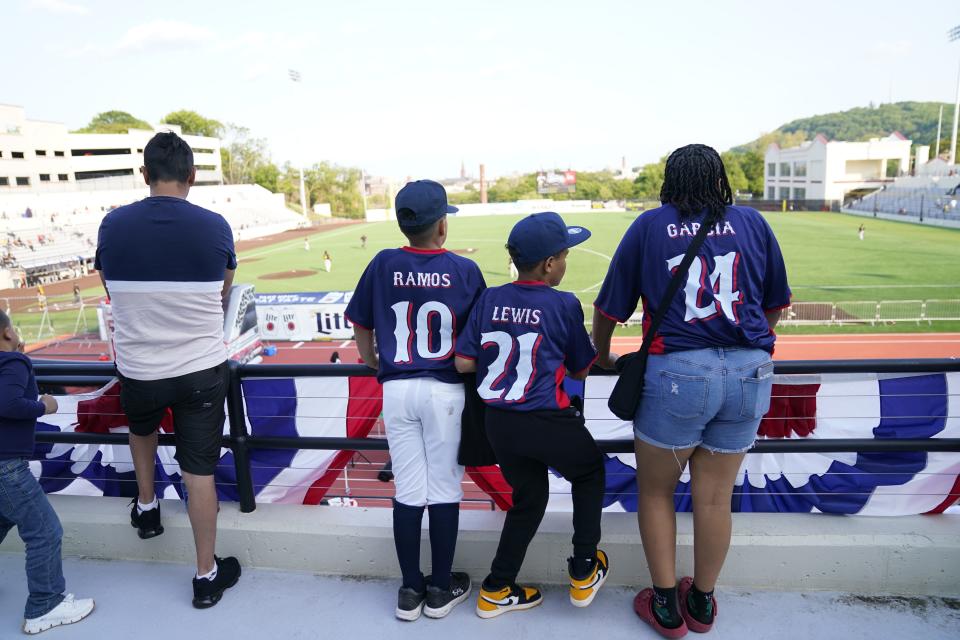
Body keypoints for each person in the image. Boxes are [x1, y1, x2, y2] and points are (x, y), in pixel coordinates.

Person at [592, 144, 790, 637]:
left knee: (656, 492)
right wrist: (748, 349)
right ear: (720, 178)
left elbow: (609, 309)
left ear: (670, 181)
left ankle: (664, 606)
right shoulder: (753, 222)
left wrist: (602, 356)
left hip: (678, 375)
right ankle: (701, 604)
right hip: (750, 371)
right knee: (715, 498)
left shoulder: (649, 226)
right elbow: (775, 304)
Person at [95, 131, 241, 609]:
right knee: (199, 472)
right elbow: (222, 292)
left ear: (145, 175)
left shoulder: (113, 225)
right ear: (191, 176)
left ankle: (148, 506)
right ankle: (205, 576)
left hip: (138, 366)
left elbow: (113, 290)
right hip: (200, 367)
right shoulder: (216, 225)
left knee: (142, 427)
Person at [455, 212, 609, 619]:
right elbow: (580, 366)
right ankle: (583, 567)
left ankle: (496, 588)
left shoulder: (489, 298)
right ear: (548, 264)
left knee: (529, 498)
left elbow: (464, 363)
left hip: (498, 423)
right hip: (543, 417)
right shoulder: (562, 303)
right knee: (590, 471)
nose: (566, 262)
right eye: (564, 255)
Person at [345, 180, 485, 621]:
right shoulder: (465, 271)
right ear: (442, 226)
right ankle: (440, 590)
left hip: (398, 387)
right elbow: (477, 343)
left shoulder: (383, 262)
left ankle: (410, 590)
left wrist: (372, 359)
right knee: (444, 489)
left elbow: (362, 327)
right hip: (445, 389)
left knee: (408, 491)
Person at [0, 310, 96, 634]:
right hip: (6, 466)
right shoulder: (14, 362)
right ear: (7, 333)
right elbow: (8, 403)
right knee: (44, 531)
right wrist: (46, 405)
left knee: (4, 520)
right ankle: (45, 605)